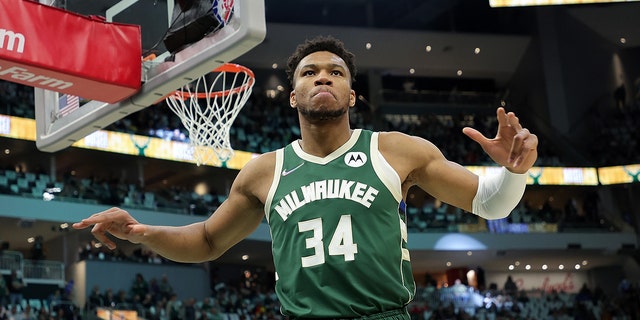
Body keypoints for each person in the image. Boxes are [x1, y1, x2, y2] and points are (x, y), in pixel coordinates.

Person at [72, 35, 538, 319]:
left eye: (335, 73)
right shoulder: (263, 171)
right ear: (292, 96)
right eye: (309, 72)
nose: (323, 78)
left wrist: (513, 172)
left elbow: (490, 203)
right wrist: (141, 232)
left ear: (352, 95)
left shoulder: (395, 150)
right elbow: (209, 241)